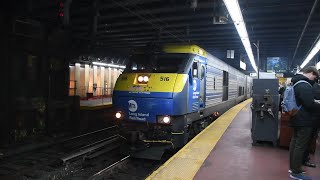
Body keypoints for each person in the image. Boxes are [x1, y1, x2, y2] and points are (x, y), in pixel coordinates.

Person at [288, 66, 320, 180]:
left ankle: (293, 168)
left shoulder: (296, 82)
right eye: (314, 77)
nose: (314, 80)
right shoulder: (303, 85)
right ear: (311, 73)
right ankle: (295, 172)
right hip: (304, 119)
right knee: (300, 145)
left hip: (297, 117)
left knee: (295, 143)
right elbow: (309, 104)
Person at [302, 78, 320, 168]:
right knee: (308, 140)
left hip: (310, 118)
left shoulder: (310, 86)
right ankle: (304, 159)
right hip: (313, 119)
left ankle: (303, 158)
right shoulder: (315, 88)